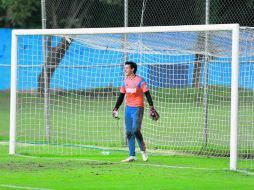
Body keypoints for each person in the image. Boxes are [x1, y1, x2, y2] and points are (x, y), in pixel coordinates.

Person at [112, 61, 159, 162]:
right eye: (125, 68)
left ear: (132, 69)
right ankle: (132, 155)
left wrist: (151, 107)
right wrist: (115, 108)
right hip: (128, 109)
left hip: (138, 108)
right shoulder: (125, 82)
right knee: (129, 132)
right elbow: (121, 96)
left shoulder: (140, 81)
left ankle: (143, 150)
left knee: (135, 130)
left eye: (127, 68)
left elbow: (147, 94)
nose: (125, 70)